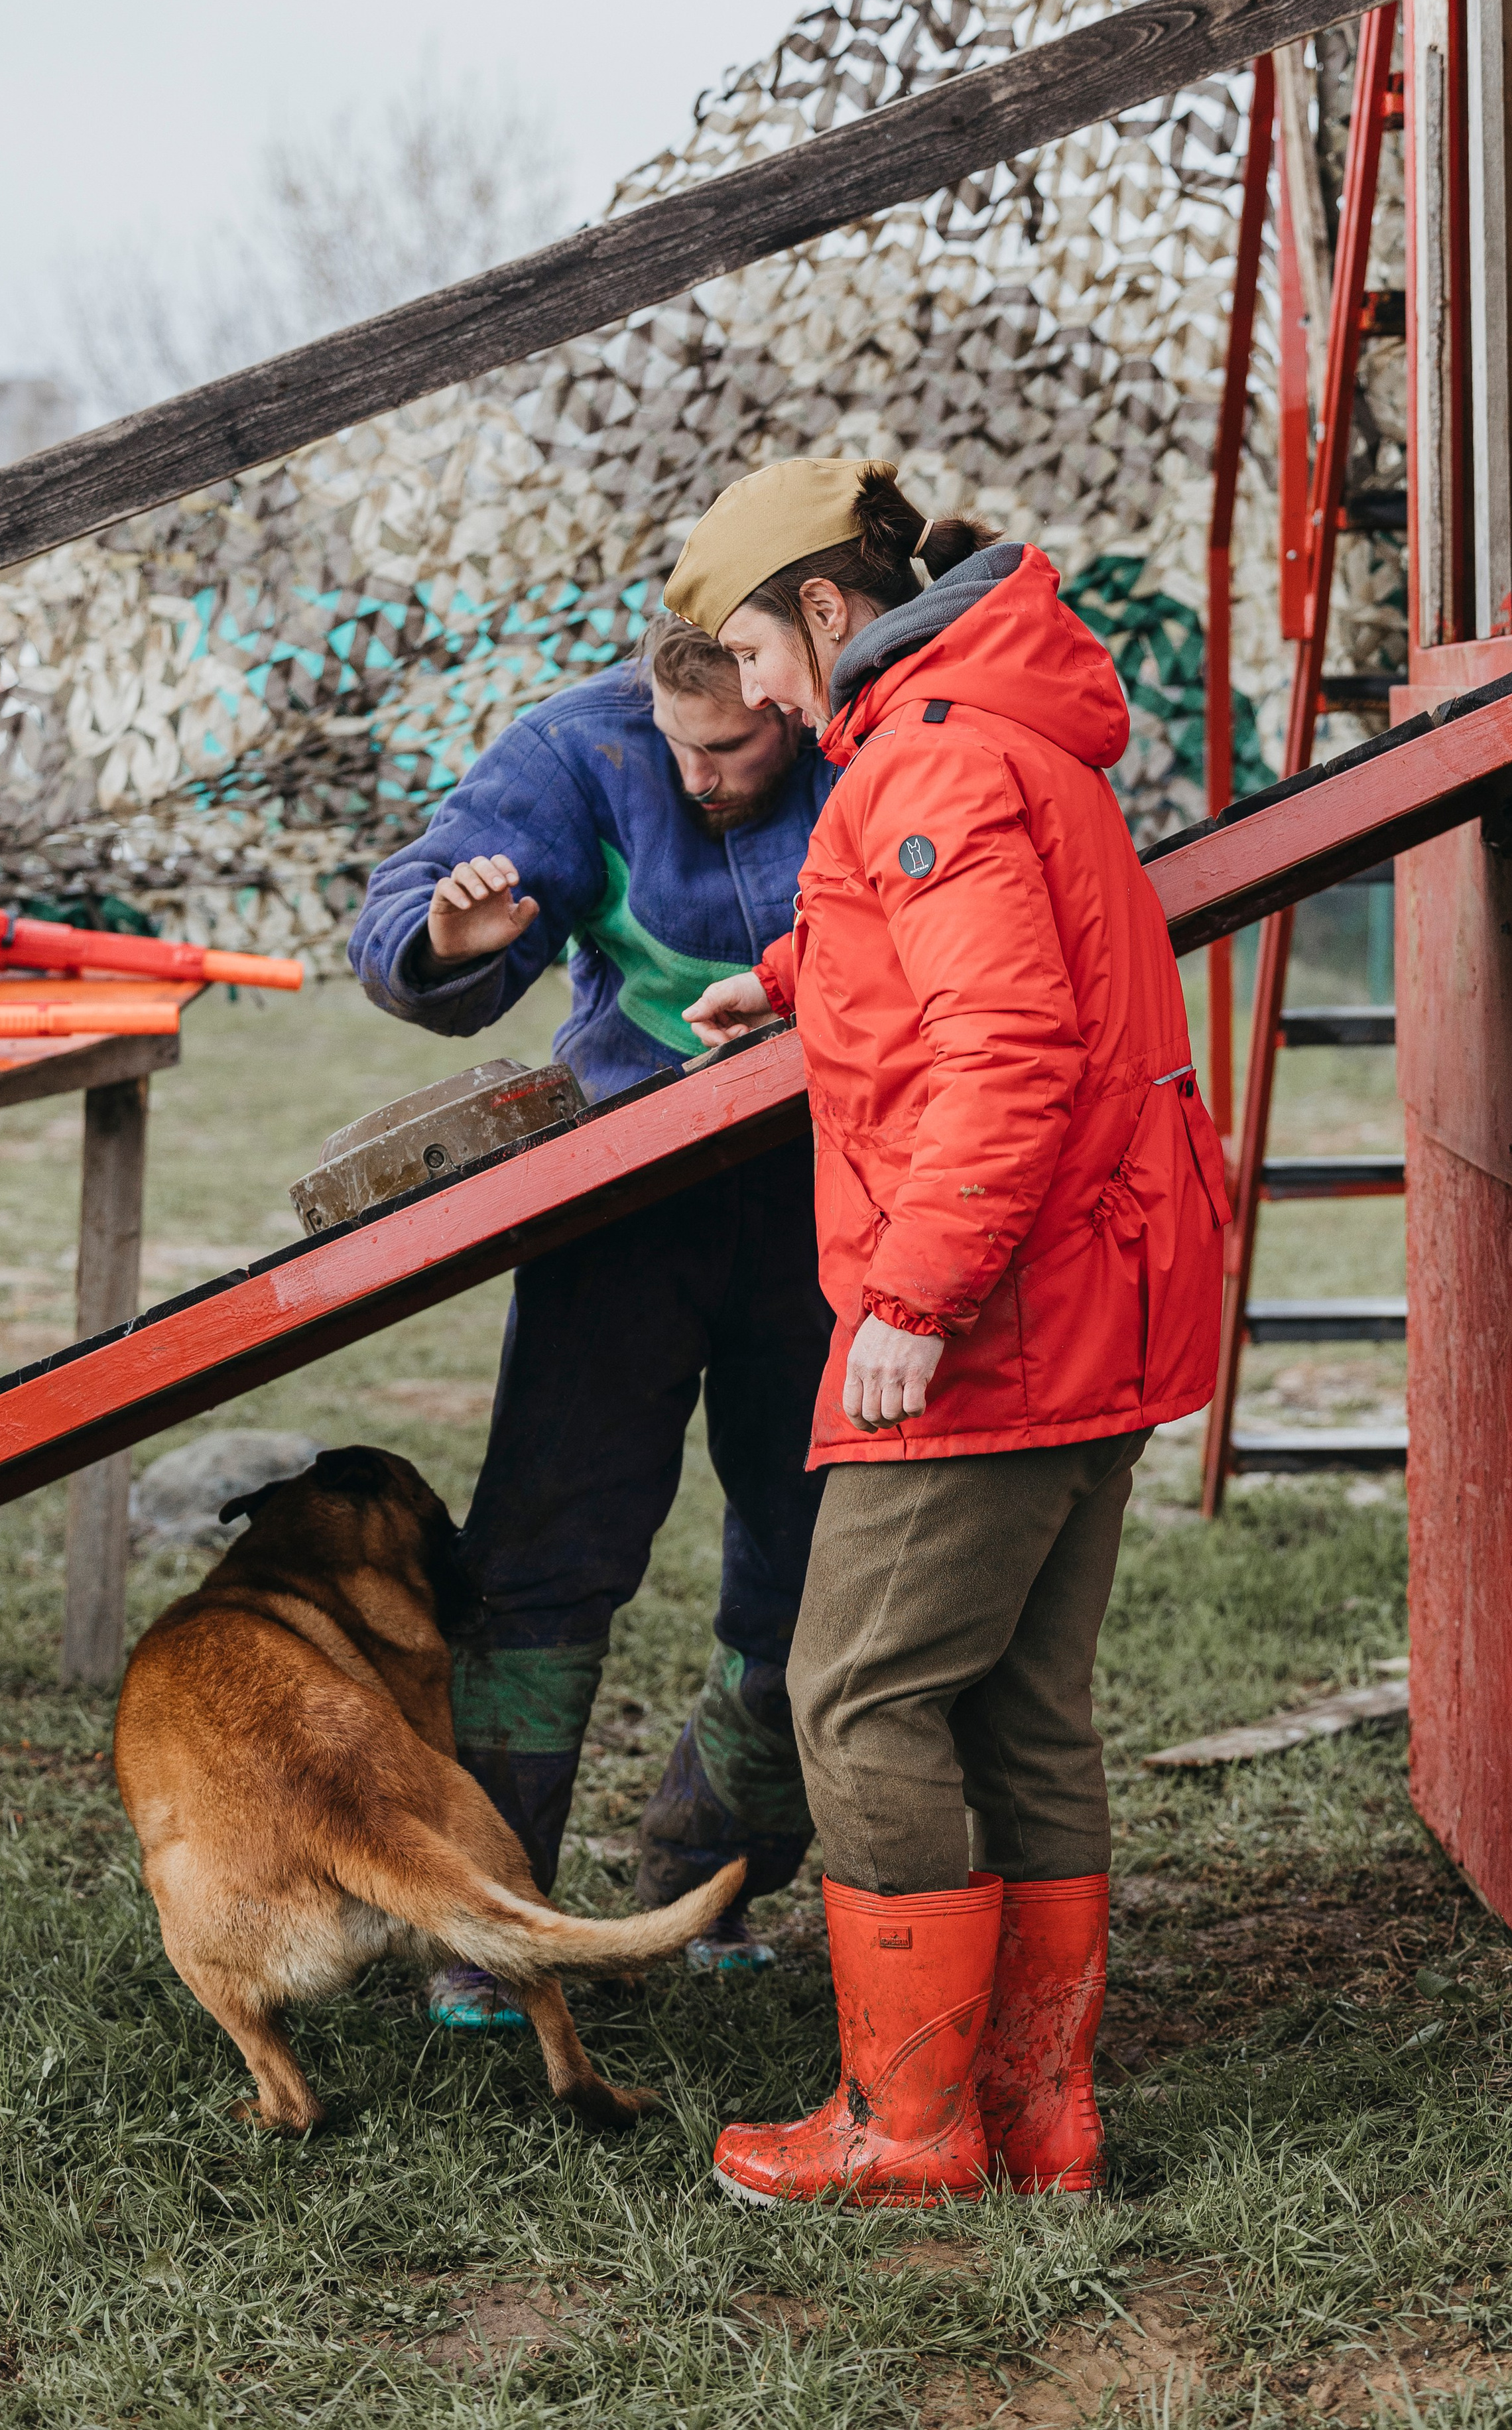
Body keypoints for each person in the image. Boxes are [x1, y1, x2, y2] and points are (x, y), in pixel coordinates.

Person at [674, 460, 1228, 2203]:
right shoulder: (990, 733)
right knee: (1020, 1708)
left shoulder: (929, 756)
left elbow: (1005, 1053)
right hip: (1101, 1293)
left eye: (758, 648)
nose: (756, 689)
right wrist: (785, 978)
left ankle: (907, 2128)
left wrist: (911, 1299)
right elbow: (993, 957)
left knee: (853, 1693)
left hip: (1001, 1309)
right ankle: (1039, 2119)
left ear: (827, 614)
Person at [347, 618, 837, 2016]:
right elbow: (405, 911)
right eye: (678, 746)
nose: (701, 778)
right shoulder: (583, 743)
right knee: (544, 1552)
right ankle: (490, 1916)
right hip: (619, 1204)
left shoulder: (861, 735)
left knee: (813, 1555)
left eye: (734, 747)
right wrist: (447, 937)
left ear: (789, 701)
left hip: (822, 1191)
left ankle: (717, 1870)